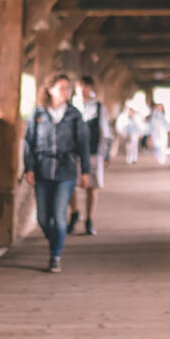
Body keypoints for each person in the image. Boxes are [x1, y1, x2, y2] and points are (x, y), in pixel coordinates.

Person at [23, 72, 90, 273]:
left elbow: (83, 144)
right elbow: (29, 143)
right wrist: (28, 167)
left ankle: (55, 256)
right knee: (43, 218)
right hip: (43, 169)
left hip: (66, 170)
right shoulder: (38, 114)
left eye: (67, 88)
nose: (65, 92)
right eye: (61, 88)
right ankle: (55, 239)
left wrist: (85, 171)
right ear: (50, 90)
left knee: (60, 215)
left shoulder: (74, 115)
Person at [68, 75, 112, 236]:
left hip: (93, 152)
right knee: (70, 184)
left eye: (84, 87)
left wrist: (107, 154)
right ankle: (74, 213)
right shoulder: (70, 106)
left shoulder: (99, 108)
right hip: (72, 153)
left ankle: (89, 219)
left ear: (91, 88)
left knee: (92, 186)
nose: (81, 90)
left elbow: (106, 133)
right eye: (79, 87)